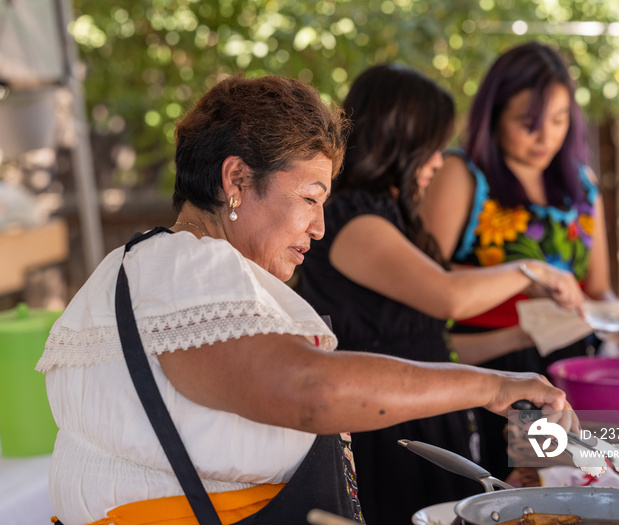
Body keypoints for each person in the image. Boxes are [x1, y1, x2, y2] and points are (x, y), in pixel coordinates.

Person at [37, 73, 578, 525]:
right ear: (237, 179)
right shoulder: (188, 265)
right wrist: (492, 387)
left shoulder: (150, 266)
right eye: (310, 197)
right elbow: (308, 389)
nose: (319, 227)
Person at [295, 64, 584, 525]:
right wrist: (531, 269)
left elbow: (429, 343)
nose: (438, 161)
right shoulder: (352, 221)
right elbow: (448, 298)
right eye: (431, 147)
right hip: (386, 437)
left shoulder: (393, 219)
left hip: (426, 425)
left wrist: (521, 338)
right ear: (397, 141)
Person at [419, 41, 615, 480]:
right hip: (490, 372)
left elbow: (598, 289)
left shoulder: (582, 185)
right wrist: (517, 280)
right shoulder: (463, 174)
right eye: (528, 123)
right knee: (510, 493)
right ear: (494, 116)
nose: (546, 137)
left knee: (579, 489)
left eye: (559, 121)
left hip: (569, 370)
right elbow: (424, 281)